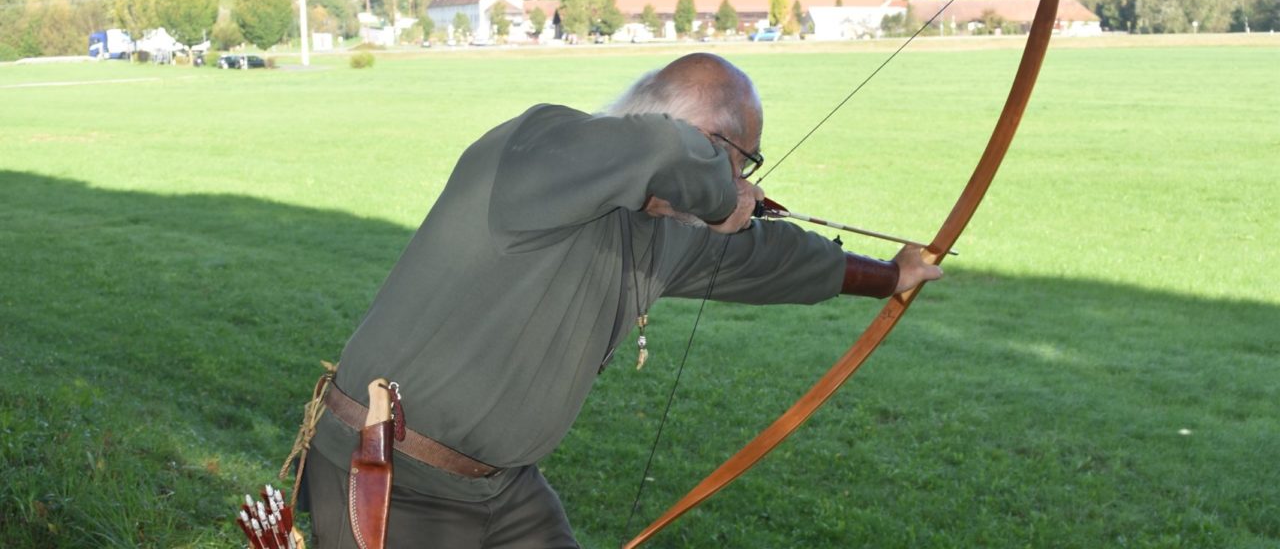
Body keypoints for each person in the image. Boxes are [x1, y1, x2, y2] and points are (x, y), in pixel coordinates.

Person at [301, 53, 942, 548]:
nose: (744, 182)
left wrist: (890, 276)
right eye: (740, 162)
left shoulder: (665, 231)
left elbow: (769, 259)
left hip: (503, 483)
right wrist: (720, 195)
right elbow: (661, 149)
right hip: (393, 472)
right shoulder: (541, 147)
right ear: (703, 142)